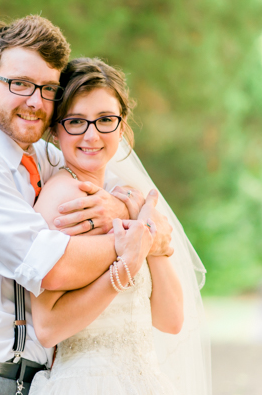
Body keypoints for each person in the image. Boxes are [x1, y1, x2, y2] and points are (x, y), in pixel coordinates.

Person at [0, 16, 174, 395]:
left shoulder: (45, 158)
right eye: (20, 84)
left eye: (48, 88)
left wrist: (126, 214)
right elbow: (51, 267)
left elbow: (107, 190)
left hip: (35, 382)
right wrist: (136, 241)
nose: (36, 101)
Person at [28, 58, 211, 395]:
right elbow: (47, 327)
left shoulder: (128, 199)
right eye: (76, 122)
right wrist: (124, 268)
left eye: (105, 120)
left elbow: (171, 319)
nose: (91, 135)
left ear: (122, 126)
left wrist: (146, 231)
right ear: (55, 129)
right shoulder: (64, 201)